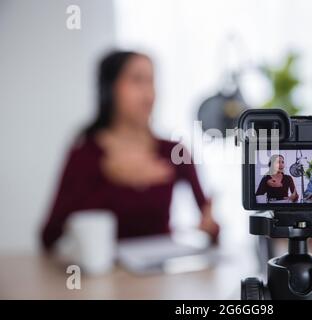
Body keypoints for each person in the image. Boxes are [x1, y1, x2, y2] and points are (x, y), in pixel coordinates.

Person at [40, 50, 220, 251]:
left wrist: (210, 228)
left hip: (162, 276)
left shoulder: (174, 151)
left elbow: (211, 230)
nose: (148, 93)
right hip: (104, 278)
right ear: (109, 89)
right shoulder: (85, 153)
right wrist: (109, 181)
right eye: (137, 80)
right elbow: (49, 236)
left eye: (151, 81)